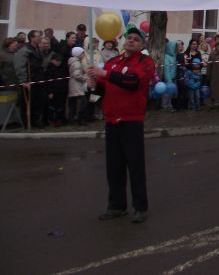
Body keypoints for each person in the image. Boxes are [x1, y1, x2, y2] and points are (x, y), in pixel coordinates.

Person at [87, 25, 155, 224]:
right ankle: (117, 206)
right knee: (114, 166)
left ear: (142, 45)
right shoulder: (113, 62)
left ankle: (140, 207)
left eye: (136, 39)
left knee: (135, 165)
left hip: (131, 120)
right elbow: (102, 90)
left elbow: (133, 82)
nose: (131, 40)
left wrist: (105, 75)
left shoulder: (145, 62)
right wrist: (93, 85)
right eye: (129, 37)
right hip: (111, 119)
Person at [14, 30, 44, 127]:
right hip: (29, 80)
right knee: (27, 103)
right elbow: (20, 67)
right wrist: (24, 81)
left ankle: (36, 121)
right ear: (32, 38)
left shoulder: (37, 49)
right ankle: (27, 122)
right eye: (38, 36)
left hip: (38, 80)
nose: (40, 38)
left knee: (37, 102)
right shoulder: (24, 51)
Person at [67, 46, 89, 125]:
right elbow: (77, 75)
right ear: (79, 54)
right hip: (77, 85)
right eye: (82, 53)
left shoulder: (73, 62)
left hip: (73, 85)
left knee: (73, 104)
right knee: (82, 103)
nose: (83, 55)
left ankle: (72, 119)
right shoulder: (77, 63)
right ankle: (80, 120)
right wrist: (85, 78)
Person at [161, 40, 177, 112]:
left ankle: (169, 105)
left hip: (173, 77)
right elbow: (166, 69)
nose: (175, 49)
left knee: (170, 93)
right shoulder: (166, 56)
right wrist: (169, 79)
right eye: (174, 47)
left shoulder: (173, 56)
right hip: (168, 78)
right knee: (166, 93)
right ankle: (164, 106)